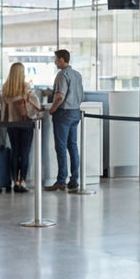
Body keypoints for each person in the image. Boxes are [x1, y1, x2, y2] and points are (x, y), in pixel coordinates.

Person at [44, 49, 84, 191]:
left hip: (64, 113)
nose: (55, 62)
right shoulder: (77, 75)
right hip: (75, 112)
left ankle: (61, 180)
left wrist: (53, 109)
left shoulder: (62, 75)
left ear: (62, 60)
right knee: (72, 146)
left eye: (56, 59)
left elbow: (60, 96)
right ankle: (74, 180)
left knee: (60, 147)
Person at [1, 62, 43, 193]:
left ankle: (15, 181)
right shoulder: (26, 89)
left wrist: (4, 121)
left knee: (15, 151)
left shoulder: (6, 89)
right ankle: (22, 181)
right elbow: (37, 105)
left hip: (12, 124)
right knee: (25, 152)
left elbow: (3, 110)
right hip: (25, 124)